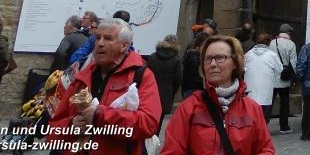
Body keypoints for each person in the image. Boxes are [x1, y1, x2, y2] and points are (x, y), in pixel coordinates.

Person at [47, 18, 160, 155]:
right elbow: (52, 130)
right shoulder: (81, 77)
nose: (100, 43)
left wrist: (100, 115)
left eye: (108, 39)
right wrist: (71, 125)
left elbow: (148, 125)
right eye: (98, 38)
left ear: (124, 46)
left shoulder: (141, 76)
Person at [161, 34, 274, 155]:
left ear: (235, 62)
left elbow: (266, 149)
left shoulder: (252, 109)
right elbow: (172, 151)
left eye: (220, 57)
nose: (213, 64)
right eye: (208, 58)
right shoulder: (188, 108)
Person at [147, 34, 183, 132]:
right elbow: (178, 79)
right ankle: (154, 140)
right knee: (160, 118)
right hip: (166, 93)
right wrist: (172, 91)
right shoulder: (176, 59)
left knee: (148, 115)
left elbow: (146, 73)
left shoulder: (153, 56)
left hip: (150, 90)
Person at [244, 31, 282, 121]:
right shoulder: (272, 55)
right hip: (266, 91)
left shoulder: (248, 54)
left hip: (250, 91)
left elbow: (242, 68)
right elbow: (279, 69)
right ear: (269, 42)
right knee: (263, 118)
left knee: (251, 117)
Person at [269, 23, 298, 134]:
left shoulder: (272, 43)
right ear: (288, 32)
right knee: (284, 103)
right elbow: (293, 62)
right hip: (284, 78)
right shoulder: (291, 44)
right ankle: (284, 126)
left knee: (269, 102)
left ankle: (264, 125)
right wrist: (295, 78)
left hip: (272, 77)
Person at [181, 32, 205, 97]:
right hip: (198, 88)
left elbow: (183, 72)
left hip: (188, 87)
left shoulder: (189, 54)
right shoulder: (202, 57)